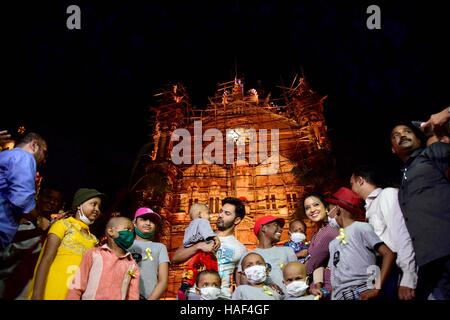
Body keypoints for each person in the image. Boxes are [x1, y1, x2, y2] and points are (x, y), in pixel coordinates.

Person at [391, 122, 450, 299]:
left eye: (408, 132)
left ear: (418, 139)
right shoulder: (403, 180)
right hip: (430, 263)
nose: (402, 135)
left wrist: (440, 125)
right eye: (396, 135)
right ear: (393, 149)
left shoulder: (432, 153)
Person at [350, 165, 417, 300]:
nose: (351, 189)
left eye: (352, 184)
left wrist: (408, 277)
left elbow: (402, 235)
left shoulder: (387, 195)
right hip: (381, 271)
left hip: (395, 270)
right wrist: (373, 286)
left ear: (361, 180)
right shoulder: (368, 209)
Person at [29, 188, 104, 299]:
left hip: (73, 295)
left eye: (99, 207)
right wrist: (37, 294)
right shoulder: (63, 225)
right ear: (79, 205)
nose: (97, 209)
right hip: (51, 289)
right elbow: (46, 259)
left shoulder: (93, 240)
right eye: (94, 204)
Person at [325, 187, 396, 300]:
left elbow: (389, 254)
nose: (328, 214)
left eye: (329, 210)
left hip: (361, 292)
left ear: (337, 209)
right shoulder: (333, 243)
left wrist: (377, 288)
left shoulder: (361, 228)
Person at [172, 197, 247, 299]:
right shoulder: (200, 235)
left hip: (222, 296)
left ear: (237, 220)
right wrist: (198, 246)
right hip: (193, 294)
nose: (220, 215)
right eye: (221, 211)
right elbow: (175, 258)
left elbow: (241, 282)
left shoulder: (241, 248)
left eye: (227, 213)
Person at [0, 186, 64, 299]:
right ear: (39, 197)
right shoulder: (19, 217)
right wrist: (38, 224)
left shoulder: (56, 230)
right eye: (49, 197)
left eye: (56, 201)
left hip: (26, 287)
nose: (52, 202)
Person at [66, 216, 139, 300]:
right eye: (127, 229)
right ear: (111, 231)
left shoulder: (132, 264)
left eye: (132, 231)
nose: (130, 233)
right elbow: (77, 284)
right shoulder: (94, 254)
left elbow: (133, 295)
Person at [0, 132, 47, 250]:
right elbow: (22, 200)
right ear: (34, 145)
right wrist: (39, 220)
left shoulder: (5, 155)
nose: (44, 160)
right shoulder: (24, 156)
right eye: (44, 152)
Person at [241, 215, 297, 291]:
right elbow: (243, 285)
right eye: (276, 225)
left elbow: (298, 277)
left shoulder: (287, 251)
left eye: (281, 227)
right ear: (263, 228)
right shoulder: (247, 256)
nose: (281, 229)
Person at [177, 203, 220, 299]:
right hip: (203, 253)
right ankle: (214, 283)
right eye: (208, 213)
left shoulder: (189, 227)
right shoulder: (203, 222)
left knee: (191, 270)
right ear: (200, 214)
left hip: (193, 254)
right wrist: (214, 237)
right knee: (212, 266)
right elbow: (207, 233)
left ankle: (183, 288)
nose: (210, 216)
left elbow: (185, 242)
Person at [300, 193, 339, 296]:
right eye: (307, 208)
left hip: (329, 289)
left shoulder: (329, 231)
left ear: (325, 207)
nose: (312, 210)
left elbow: (313, 262)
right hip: (318, 287)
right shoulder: (317, 233)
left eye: (316, 204)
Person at [129, 207, 169, 300]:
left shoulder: (160, 247)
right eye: (143, 219)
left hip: (148, 297)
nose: (148, 223)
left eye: (152, 221)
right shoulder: (125, 245)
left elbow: (163, 280)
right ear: (134, 223)